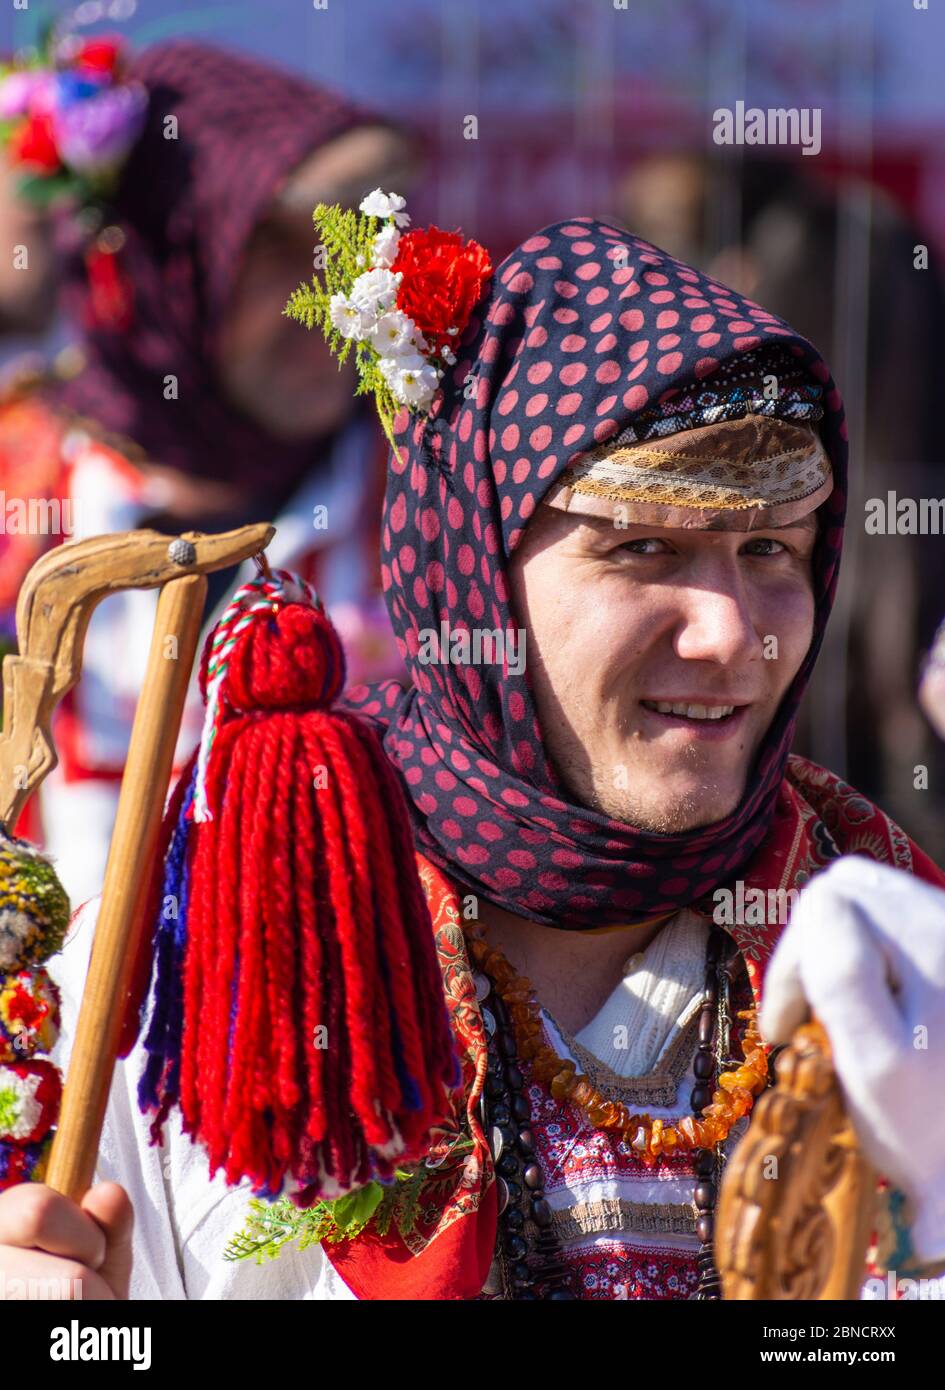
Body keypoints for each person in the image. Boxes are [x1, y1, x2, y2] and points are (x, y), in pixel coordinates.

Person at [2, 215, 945, 1300]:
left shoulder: (881, 943)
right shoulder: (220, 946)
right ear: (474, 563)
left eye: (771, 549)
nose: (733, 633)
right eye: (645, 547)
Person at [0, 40, 411, 900]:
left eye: (346, 248)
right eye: (272, 250)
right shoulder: (19, 488)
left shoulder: (433, 503)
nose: (329, 298)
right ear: (152, 262)